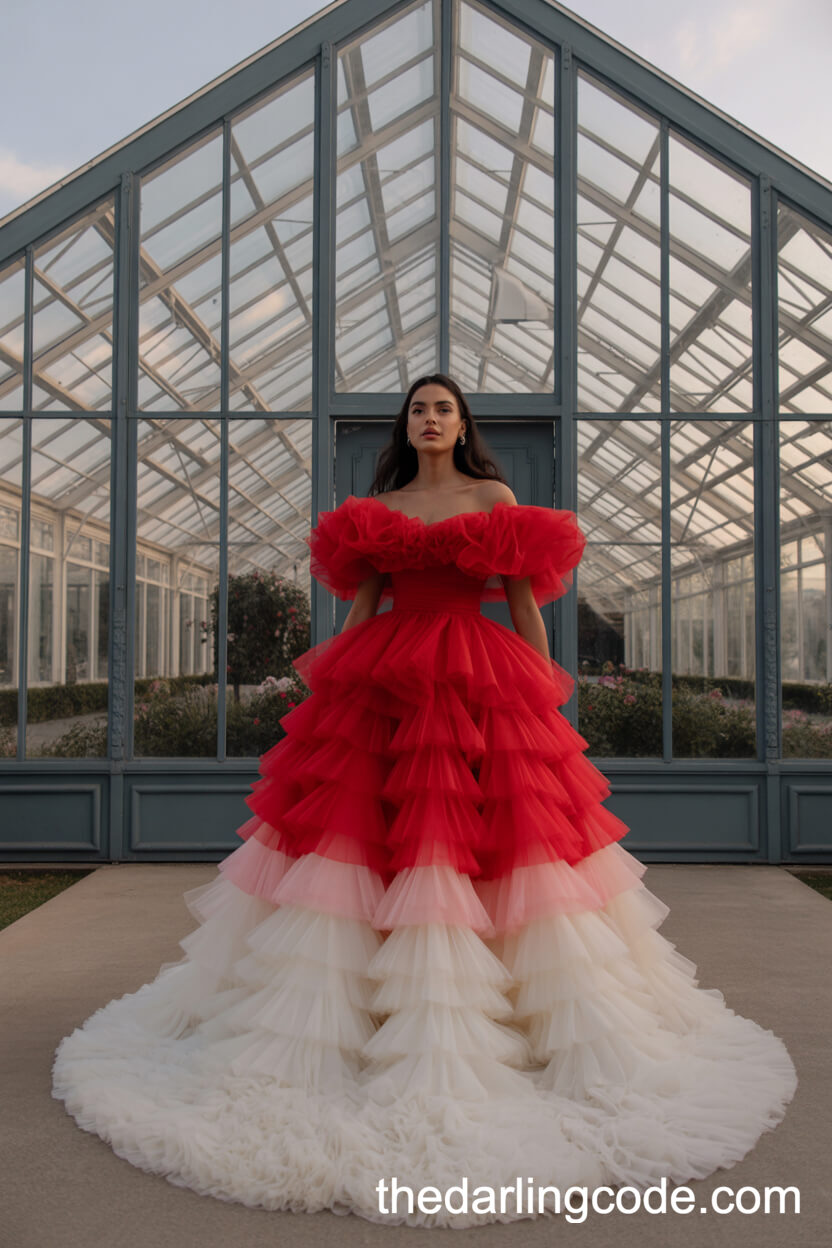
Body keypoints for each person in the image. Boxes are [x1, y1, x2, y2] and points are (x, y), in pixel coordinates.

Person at [51, 374, 797, 1229]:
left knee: (491, 841)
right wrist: (342, 689)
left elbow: (523, 605)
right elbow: (361, 609)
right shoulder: (381, 506)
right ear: (405, 426)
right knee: (377, 843)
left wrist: (545, 693)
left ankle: (509, 1016)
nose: (430, 418)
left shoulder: (495, 494)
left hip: (482, 680)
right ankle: (361, 1016)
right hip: (388, 679)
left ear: (462, 423)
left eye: (443, 408)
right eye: (418, 409)